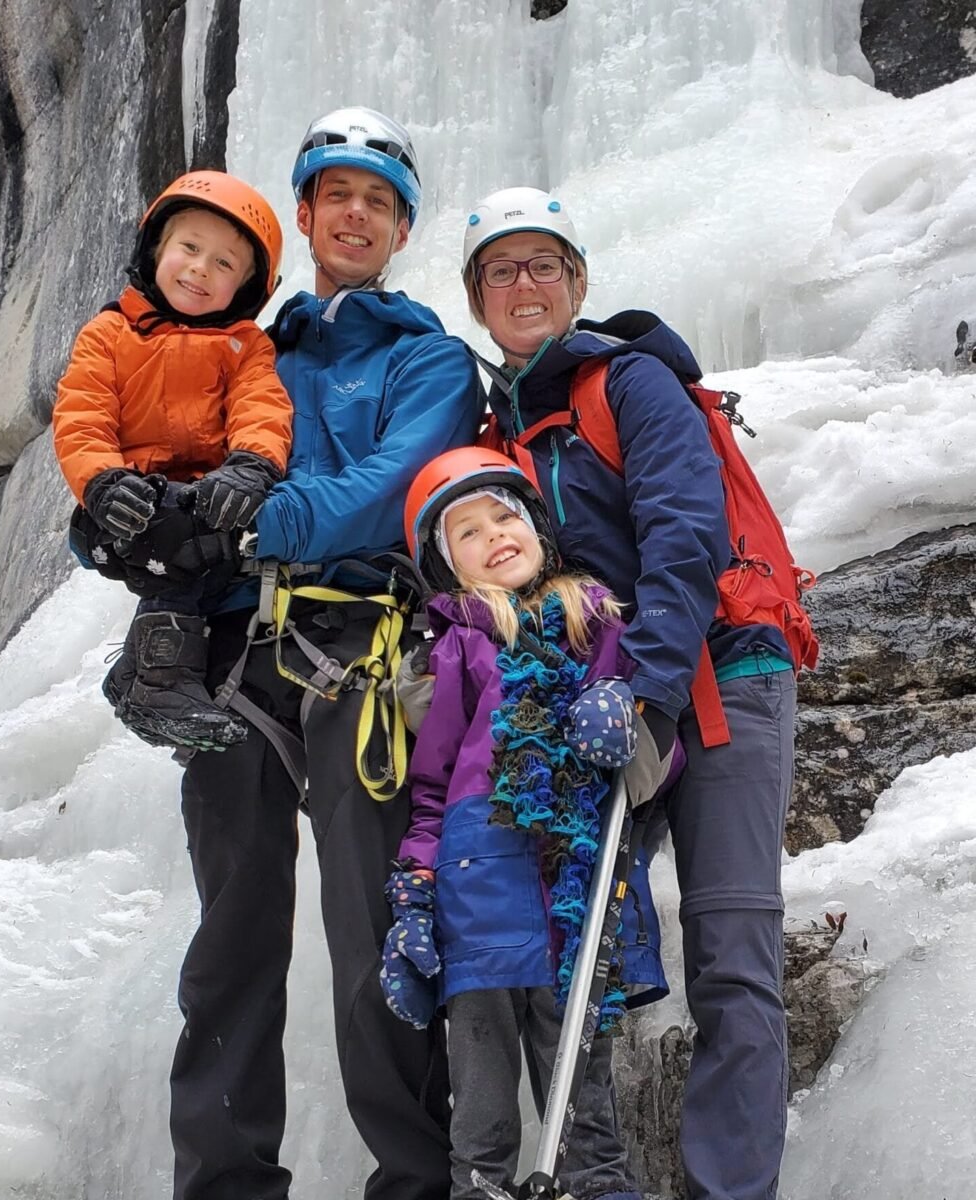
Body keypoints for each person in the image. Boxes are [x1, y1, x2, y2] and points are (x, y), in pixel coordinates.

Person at [123, 109, 482, 1200]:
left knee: (374, 925)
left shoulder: (430, 359)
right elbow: (156, 450)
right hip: (237, 650)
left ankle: (416, 1182)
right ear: (308, 214)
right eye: (339, 195)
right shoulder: (243, 348)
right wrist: (118, 523)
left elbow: (392, 485)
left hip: (364, 646)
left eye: (377, 200)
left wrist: (247, 523)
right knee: (231, 937)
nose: (356, 214)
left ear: (400, 225)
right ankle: (224, 1185)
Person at [459, 187, 799, 1200]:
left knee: (732, 945)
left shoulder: (633, 383)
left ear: (577, 283)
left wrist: (646, 692)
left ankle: (726, 1190)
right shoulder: (498, 432)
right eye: (502, 270)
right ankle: (596, 1178)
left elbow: (683, 533)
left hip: (718, 680)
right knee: (571, 936)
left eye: (544, 266)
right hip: (599, 702)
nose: (525, 285)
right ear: (477, 296)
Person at [381, 445, 675, 1200]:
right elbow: (433, 784)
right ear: (450, 566)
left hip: (578, 880)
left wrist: (626, 717)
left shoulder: (601, 624)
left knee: (584, 1101)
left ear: (538, 527)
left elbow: (654, 767)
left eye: (504, 517)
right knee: (480, 1104)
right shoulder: (460, 650)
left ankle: (598, 1188)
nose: (495, 536)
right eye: (468, 533)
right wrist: (413, 889)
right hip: (477, 896)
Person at [53, 170, 292, 750]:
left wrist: (252, 466)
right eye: (189, 248)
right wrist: (102, 482)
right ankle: (161, 680)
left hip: (204, 500)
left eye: (224, 264)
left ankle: (138, 672)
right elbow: (83, 416)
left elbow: (262, 406)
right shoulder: (109, 334)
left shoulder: (245, 347)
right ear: (155, 249)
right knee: (179, 540)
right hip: (119, 505)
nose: (201, 270)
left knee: (216, 539)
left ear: (248, 287)